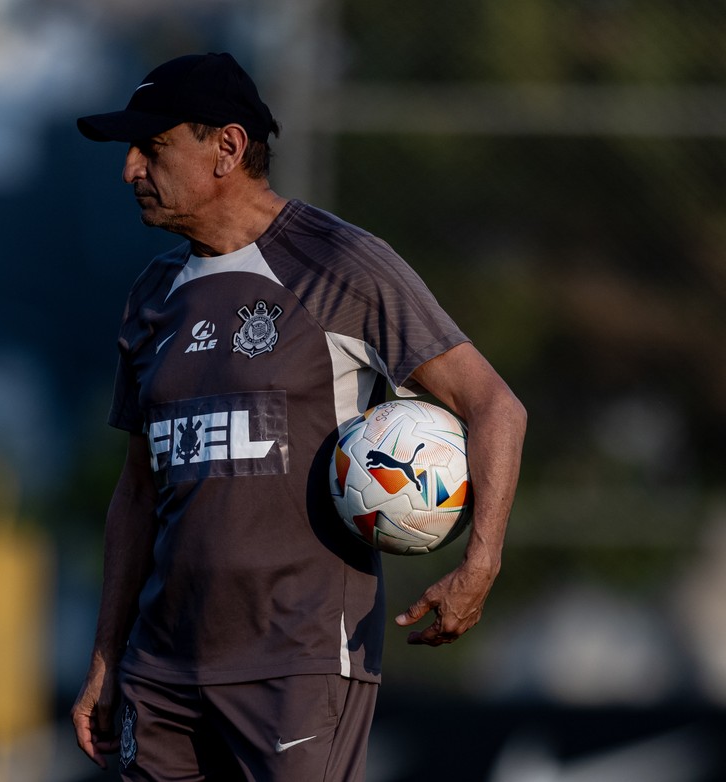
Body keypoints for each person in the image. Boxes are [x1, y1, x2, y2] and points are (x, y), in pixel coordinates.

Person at [71, 52, 526, 781]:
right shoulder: (151, 297)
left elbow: (495, 405)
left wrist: (481, 561)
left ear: (227, 147)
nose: (130, 170)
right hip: (162, 670)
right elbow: (136, 492)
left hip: (298, 665)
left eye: (152, 149)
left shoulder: (342, 264)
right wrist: (106, 657)